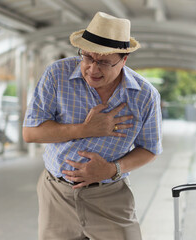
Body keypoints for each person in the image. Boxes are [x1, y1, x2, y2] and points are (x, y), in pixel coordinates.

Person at [22, 12, 162, 240]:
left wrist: (112, 169)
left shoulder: (145, 96)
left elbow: (150, 149)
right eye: (87, 57)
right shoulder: (57, 75)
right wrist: (86, 129)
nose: (93, 69)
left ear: (124, 59)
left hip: (110, 196)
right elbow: (30, 133)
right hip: (57, 194)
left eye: (105, 62)